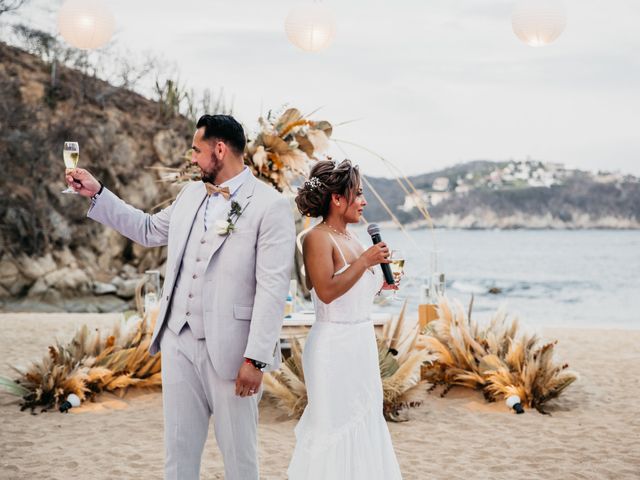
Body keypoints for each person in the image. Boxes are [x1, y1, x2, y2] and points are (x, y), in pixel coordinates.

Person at [65, 114, 296, 480]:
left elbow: (272, 287)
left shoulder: (271, 206)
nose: (191, 158)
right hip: (177, 342)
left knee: (239, 456)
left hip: (233, 351)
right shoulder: (190, 195)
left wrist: (256, 358)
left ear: (219, 149)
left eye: (196, 149)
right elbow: (146, 229)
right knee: (178, 452)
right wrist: (98, 192)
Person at [288, 159, 403, 479]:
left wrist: (382, 281)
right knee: (334, 429)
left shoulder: (354, 240)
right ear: (337, 199)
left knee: (365, 421)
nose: (364, 202)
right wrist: (366, 260)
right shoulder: (315, 238)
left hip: (360, 344)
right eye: (359, 194)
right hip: (332, 347)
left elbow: (355, 294)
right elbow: (325, 291)